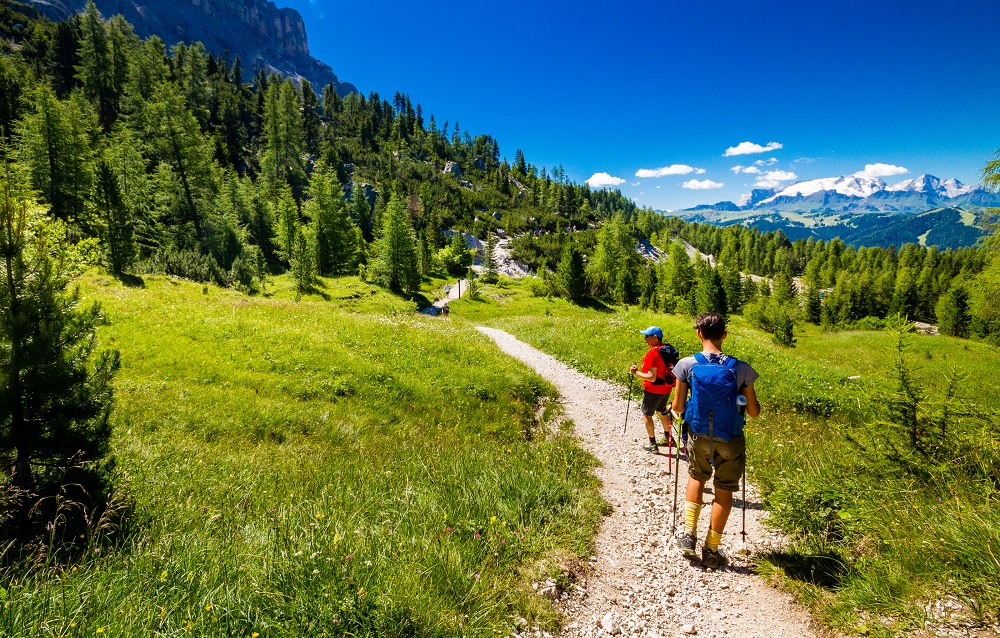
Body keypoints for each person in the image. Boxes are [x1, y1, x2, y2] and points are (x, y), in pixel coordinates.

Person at [671, 312, 760, 569]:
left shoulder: (687, 365)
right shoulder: (741, 368)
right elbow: (753, 412)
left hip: (699, 434)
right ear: (724, 335)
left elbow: (677, 406)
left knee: (697, 476)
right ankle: (711, 549)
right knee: (724, 489)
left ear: (699, 334)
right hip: (730, 436)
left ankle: (688, 533)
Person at [629, 326, 675, 454]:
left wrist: (636, 372)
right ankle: (669, 438)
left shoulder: (653, 353)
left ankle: (653, 444)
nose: (645, 339)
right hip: (666, 388)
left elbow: (651, 377)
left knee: (647, 415)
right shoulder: (667, 350)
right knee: (661, 411)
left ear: (655, 337)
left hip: (653, 390)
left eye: (647, 336)